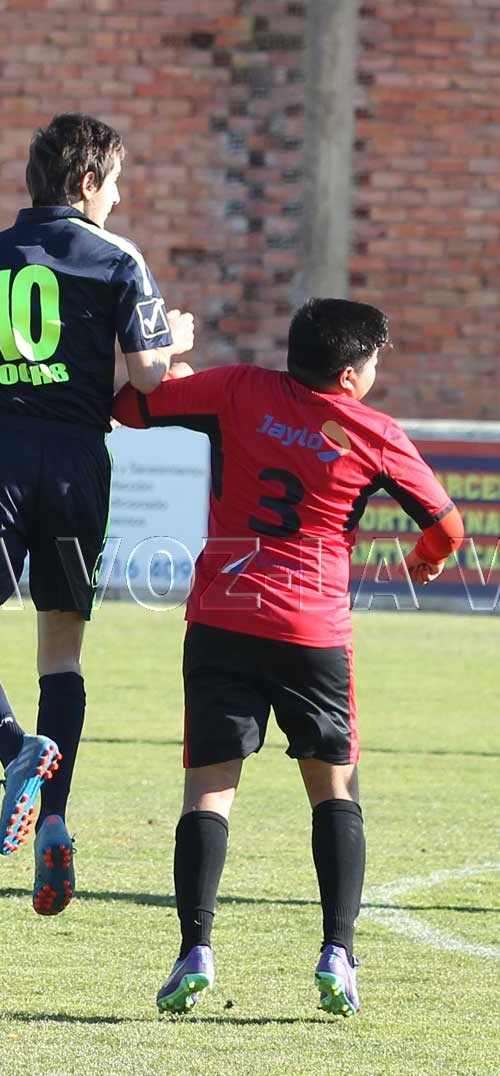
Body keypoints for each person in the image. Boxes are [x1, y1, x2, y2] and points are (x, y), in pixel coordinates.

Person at [112, 298, 464, 1015]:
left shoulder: (236, 389)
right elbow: (447, 527)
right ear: (349, 375)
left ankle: (194, 951)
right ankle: (338, 952)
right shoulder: (374, 433)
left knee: (209, 792)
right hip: (312, 631)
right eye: (374, 360)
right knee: (333, 793)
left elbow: (129, 406)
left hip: (223, 618)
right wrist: (425, 560)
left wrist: (167, 357)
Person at [0, 113, 194, 916]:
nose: (120, 198)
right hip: (77, 462)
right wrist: (173, 341)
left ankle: (13, 748)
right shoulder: (119, 258)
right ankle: (55, 824)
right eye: (116, 183)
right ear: (87, 182)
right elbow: (150, 378)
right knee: (61, 657)